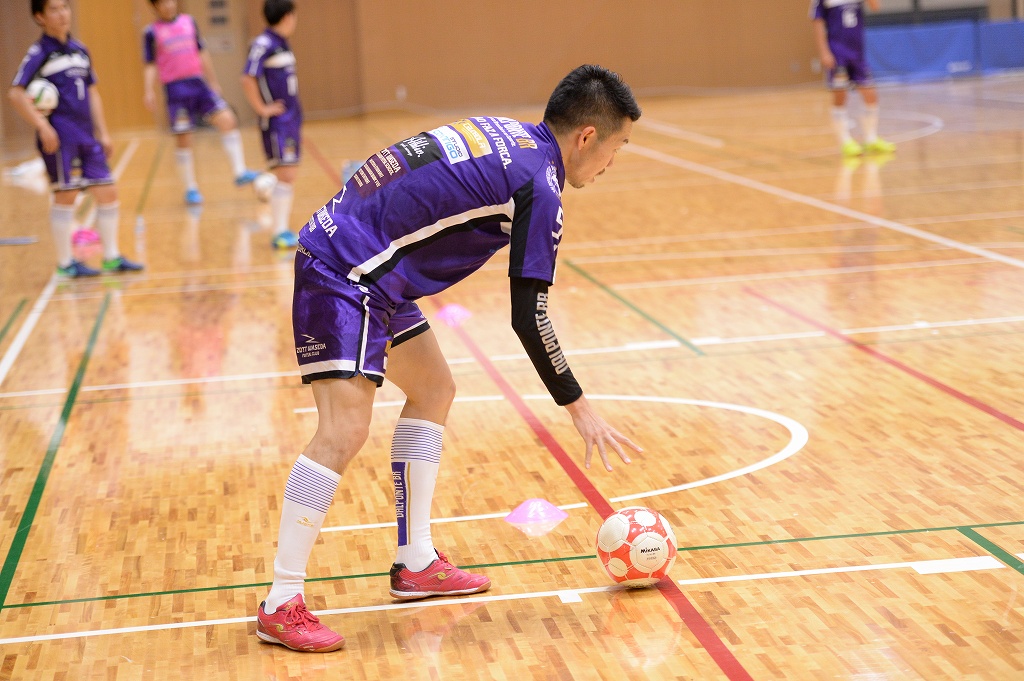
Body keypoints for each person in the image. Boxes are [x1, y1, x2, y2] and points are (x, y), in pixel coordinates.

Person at [255, 64, 644, 653]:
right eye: (618, 147)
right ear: (587, 136)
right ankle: (281, 602)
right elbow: (529, 316)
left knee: (434, 389)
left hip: (371, 265)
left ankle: (415, 562)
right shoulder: (540, 184)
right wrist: (579, 406)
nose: (612, 163)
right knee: (342, 431)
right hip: (346, 271)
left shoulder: (512, 136)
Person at [8, 0, 143, 278]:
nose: (62, 14)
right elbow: (16, 93)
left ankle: (111, 257)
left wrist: (103, 132)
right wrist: (42, 126)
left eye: (65, 7)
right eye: (54, 9)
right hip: (61, 138)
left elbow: (92, 92)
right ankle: (66, 264)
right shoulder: (39, 52)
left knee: (108, 192)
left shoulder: (81, 50)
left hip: (87, 135)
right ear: (40, 17)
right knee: (66, 195)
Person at [142, 0, 258, 205]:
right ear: (155, 7)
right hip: (175, 90)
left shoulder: (189, 21)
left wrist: (213, 81)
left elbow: (202, 52)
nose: (168, 5)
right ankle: (190, 188)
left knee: (227, 120)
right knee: (184, 139)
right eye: (162, 3)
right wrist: (149, 90)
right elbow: (150, 64)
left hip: (198, 84)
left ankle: (239, 172)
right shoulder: (151, 32)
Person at [241, 0, 301, 249]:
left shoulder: (281, 43)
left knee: (287, 173)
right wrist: (262, 108)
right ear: (287, 16)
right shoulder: (263, 44)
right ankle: (279, 232)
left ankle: (281, 228)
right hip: (278, 122)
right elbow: (247, 78)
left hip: (291, 120)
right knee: (286, 173)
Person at [811, 0, 895, 157]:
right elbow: (817, 21)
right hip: (837, 53)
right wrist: (824, 52)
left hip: (857, 53)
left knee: (870, 94)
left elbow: (875, 7)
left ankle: (870, 139)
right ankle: (845, 141)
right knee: (840, 95)